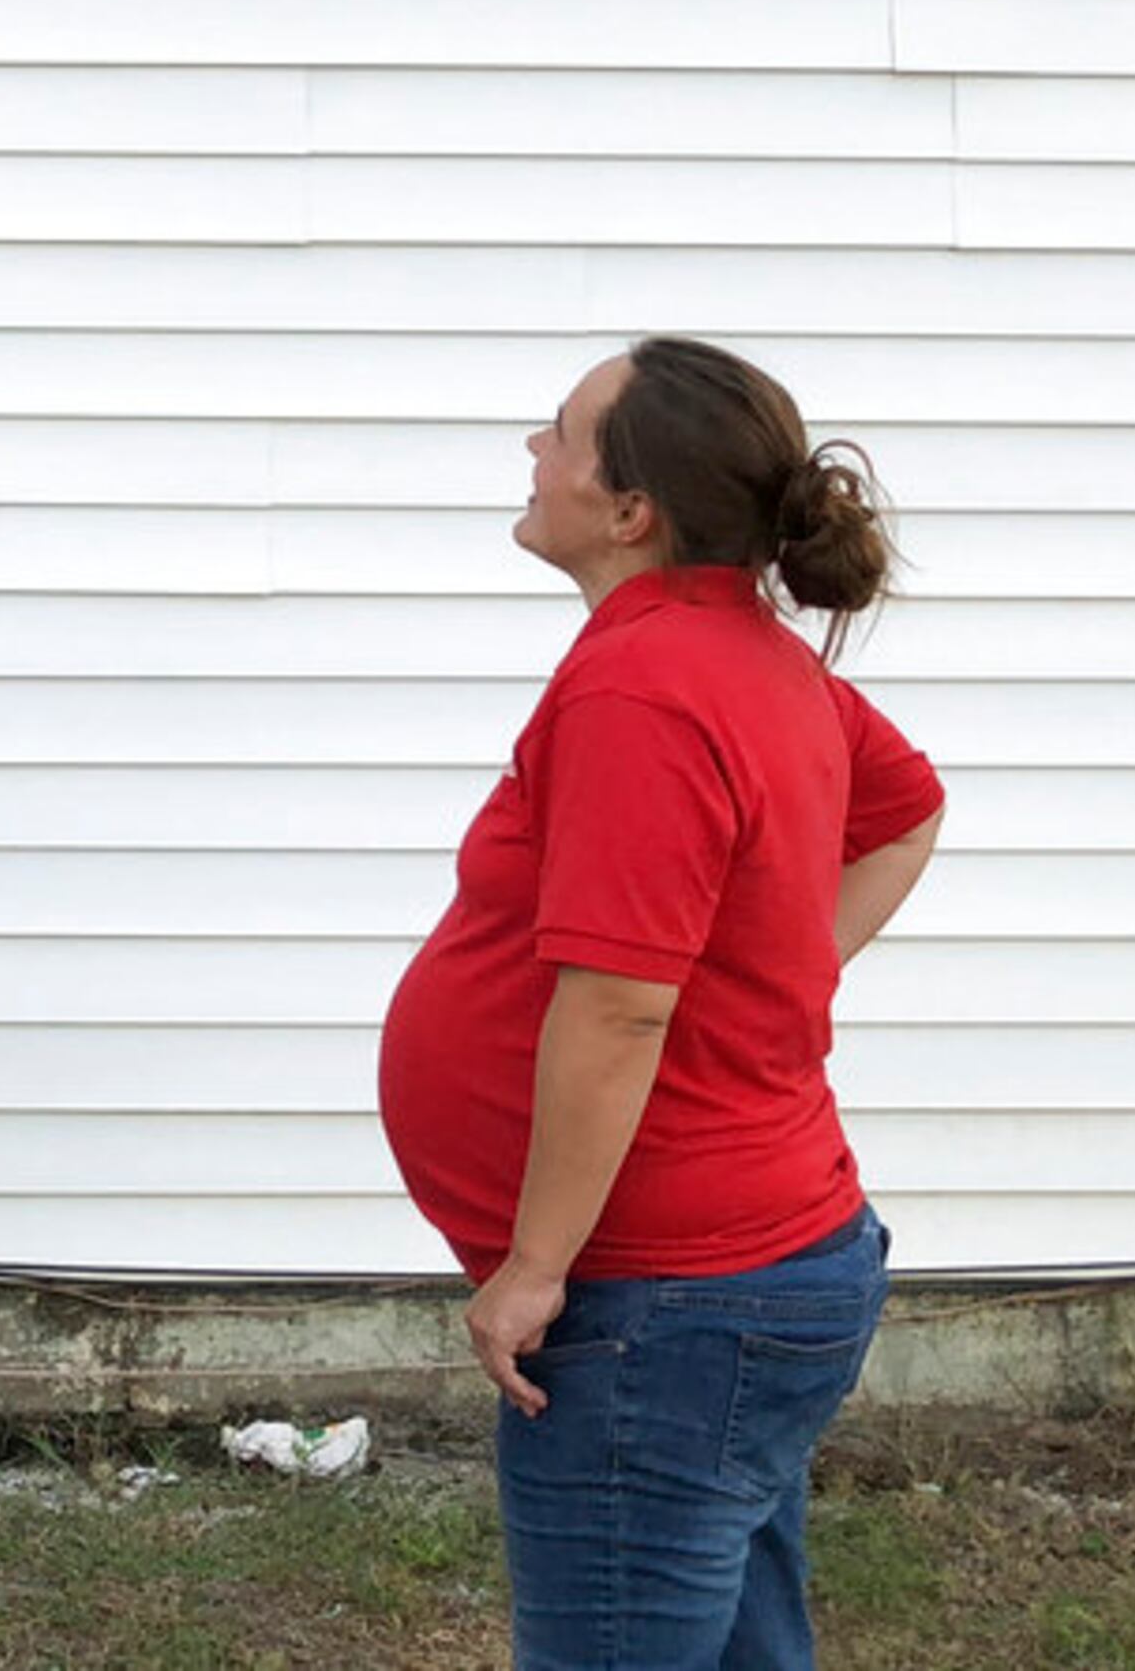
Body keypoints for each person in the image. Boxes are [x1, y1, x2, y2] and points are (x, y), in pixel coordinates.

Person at [379, 337, 946, 1671]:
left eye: (562, 434)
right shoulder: (743, 657)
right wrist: (764, 980)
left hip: (667, 1308)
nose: (533, 451)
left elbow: (622, 1007)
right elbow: (909, 814)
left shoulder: (646, 685)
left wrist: (535, 1268)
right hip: (749, 1282)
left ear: (632, 511)